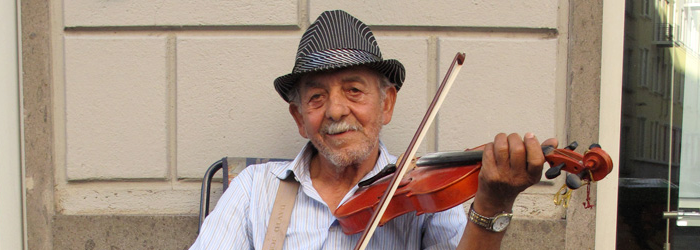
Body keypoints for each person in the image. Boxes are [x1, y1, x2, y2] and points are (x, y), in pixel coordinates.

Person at [190, 10, 558, 250]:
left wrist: (493, 204)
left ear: (387, 103)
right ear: (300, 117)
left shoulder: (425, 194)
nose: (336, 110)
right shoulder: (253, 187)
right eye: (316, 97)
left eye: (354, 90)